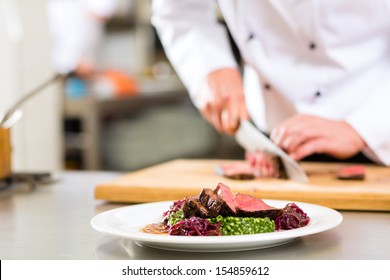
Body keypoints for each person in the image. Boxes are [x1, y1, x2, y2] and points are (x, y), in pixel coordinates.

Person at [151, 0, 390, 166]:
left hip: (377, 128)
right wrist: (209, 65)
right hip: (275, 138)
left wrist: (363, 127)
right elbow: (178, 9)